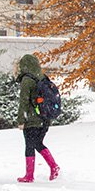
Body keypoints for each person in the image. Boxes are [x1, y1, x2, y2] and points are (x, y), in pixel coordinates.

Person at [16, 53, 60, 183]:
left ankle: (29, 175)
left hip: (32, 119)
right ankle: (53, 166)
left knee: (29, 145)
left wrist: (21, 120)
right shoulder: (42, 77)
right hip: (44, 117)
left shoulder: (27, 80)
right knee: (38, 143)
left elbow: (23, 102)